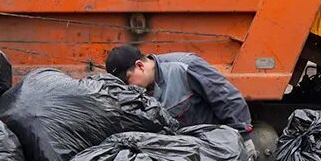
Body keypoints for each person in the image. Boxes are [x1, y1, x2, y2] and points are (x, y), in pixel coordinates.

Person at [104, 45, 252, 132]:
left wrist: (244, 137)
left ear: (140, 66)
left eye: (127, 80)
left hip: (213, 147)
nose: (127, 88)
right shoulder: (137, 94)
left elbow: (227, 99)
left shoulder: (185, 67)